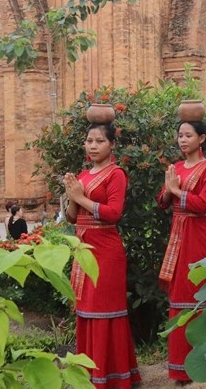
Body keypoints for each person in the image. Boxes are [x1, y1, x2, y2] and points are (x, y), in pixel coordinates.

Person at [64, 118, 141, 388]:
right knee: (85, 310)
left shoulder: (116, 174)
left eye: (99, 141)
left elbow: (114, 213)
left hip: (106, 251)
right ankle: (88, 375)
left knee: (104, 310)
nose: (93, 146)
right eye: (89, 141)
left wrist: (81, 197)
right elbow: (74, 217)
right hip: (84, 248)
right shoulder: (84, 175)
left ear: (112, 144)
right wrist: (71, 196)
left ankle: (111, 378)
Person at [157, 117, 206, 385]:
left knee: (198, 291)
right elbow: (162, 201)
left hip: (197, 234)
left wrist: (176, 191)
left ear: (201, 138)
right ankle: (178, 368)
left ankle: (202, 365)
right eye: (180, 135)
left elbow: (204, 204)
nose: (182, 140)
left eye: (188, 135)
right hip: (178, 233)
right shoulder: (177, 168)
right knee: (178, 293)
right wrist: (170, 191)